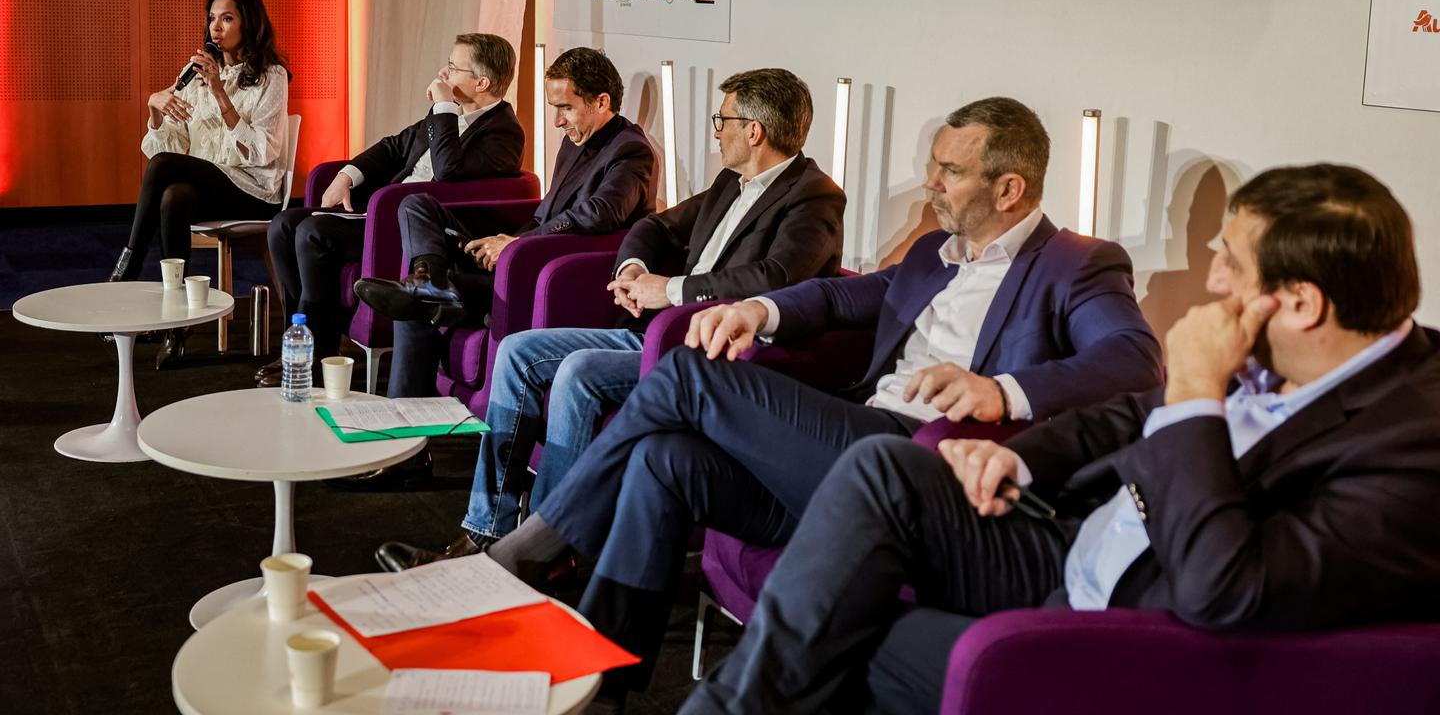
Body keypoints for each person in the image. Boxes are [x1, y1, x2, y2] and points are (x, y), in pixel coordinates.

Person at [680, 163, 1440, 715]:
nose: (1211, 283)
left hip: (1133, 632)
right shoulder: (1292, 351)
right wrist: (1017, 452)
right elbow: (1129, 414)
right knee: (884, 469)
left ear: (1302, 302)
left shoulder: (1413, 446)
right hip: (1071, 540)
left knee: (836, 643)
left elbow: (1227, 590)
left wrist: (1198, 393)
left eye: (1230, 265)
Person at [482, 96, 1165, 701]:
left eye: (950, 172)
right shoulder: (934, 253)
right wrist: (757, 310)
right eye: (934, 165)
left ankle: (536, 546)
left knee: (690, 374)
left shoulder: (1078, 263)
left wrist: (1000, 390)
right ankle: (602, 675)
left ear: (1010, 188)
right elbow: (842, 294)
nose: (932, 183)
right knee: (666, 458)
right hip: (850, 442)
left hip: (916, 468)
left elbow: (1134, 360)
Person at [375, 68, 847, 571]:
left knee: (578, 372)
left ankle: (546, 550)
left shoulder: (815, 196)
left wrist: (667, 289)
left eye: (723, 119)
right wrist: (634, 267)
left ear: (753, 130)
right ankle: (487, 527)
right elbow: (655, 225)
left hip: (712, 356)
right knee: (518, 351)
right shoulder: (731, 182)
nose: (717, 131)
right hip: (655, 334)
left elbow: (774, 278)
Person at [354, 46, 657, 400]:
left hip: (539, 272)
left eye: (565, 108)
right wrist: (508, 238)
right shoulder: (577, 137)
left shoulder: (631, 151)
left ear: (602, 102)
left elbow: (599, 214)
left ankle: (407, 404)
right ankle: (430, 278)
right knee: (417, 205)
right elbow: (549, 210)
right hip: (522, 247)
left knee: (414, 304)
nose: (557, 121)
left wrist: (514, 245)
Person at [256, 33, 525, 386]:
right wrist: (346, 176)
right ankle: (300, 339)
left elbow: (448, 171)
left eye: (453, 67)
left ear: (482, 82)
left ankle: (316, 353)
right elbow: (394, 147)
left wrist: (444, 107)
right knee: (283, 226)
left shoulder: (503, 133)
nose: (443, 74)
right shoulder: (448, 115)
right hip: (381, 213)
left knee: (313, 233)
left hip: (410, 231)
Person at [111, 0, 290, 368]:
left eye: (227, 18)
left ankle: (125, 272)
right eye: (212, 17)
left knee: (166, 173)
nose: (216, 26)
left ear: (249, 24)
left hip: (252, 188)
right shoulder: (194, 72)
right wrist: (155, 110)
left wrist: (221, 93)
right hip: (208, 183)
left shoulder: (271, 77)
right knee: (173, 195)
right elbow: (166, 148)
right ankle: (176, 327)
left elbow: (262, 152)